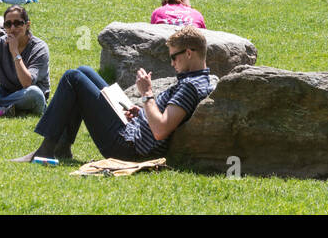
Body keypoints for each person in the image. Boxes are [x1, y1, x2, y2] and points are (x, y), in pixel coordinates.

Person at [15, 26, 212, 164]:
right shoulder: (198, 80)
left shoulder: (189, 87)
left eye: (173, 57)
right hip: (134, 130)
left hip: (128, 147)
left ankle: (47, 149)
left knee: (72, 78)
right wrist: (142, 112)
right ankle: (63, 147)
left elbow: (160, 130)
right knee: (84, 71)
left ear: (188, 53)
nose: (171, 63)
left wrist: (147, 94)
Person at [0, 6, 50, 116]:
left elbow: (27, 83)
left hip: (27, 96)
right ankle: (4, 109)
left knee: (34, 93)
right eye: (8, 24)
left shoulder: (39, 48)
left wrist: (15, 52)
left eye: (18, 23)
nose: (13, 28)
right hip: (4, 93)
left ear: (27, 25)